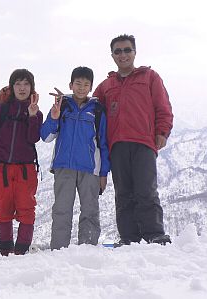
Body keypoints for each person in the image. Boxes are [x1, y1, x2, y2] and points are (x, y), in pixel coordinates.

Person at [93, 34, 174, 246]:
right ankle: (128, 237)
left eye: (127, 50)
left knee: (146, 190)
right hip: (117, 145)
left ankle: (154, 233)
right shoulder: (105, 85)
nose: (123, 55)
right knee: (123, 193)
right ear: (112, 55)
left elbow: (163, 107)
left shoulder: (150, 77)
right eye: (118, 51)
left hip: (143, 142)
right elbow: (91, 111)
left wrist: (162, 132)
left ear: (134, 52)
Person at [40, 67, 110, 250]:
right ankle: (59, 250)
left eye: (86, 84)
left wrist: (103, 173)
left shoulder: (97, 110)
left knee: (90, 211)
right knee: (62, 211)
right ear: (71, 85)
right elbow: (46, 137)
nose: (81, 87)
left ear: (91, 87)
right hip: (64, 167)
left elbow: (103, 144)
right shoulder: (62, 106)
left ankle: (88, 250)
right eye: (78, 83)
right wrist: (54, 118)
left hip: (90, 170)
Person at [0, 69, 43, 256]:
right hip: (2, 169)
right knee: (3, 209)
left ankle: (21, 253)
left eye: (26, 84)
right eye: (18, 84)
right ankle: (6, 252)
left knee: (27, 210)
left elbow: (33, 138)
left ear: (32, 87)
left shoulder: (36, 112)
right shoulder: (0, 110)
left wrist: (32, 116)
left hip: (26, 170)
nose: (22, 88)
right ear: (12, 87)